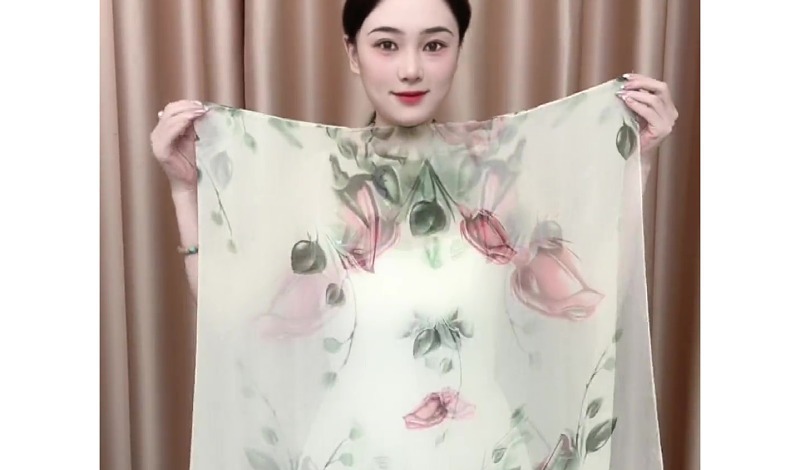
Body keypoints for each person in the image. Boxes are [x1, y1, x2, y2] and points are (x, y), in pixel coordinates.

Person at [150, 0, 678, 301]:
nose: (410, 69)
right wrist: (184, 190)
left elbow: (591, 302)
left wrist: (639, 160)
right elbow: (232, 318)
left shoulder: (497, 180)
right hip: (346, 462)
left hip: (483, 458)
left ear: (457, 51)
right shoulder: (309, 178)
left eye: (434, 45)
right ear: (352, 53)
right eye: (386, 44)